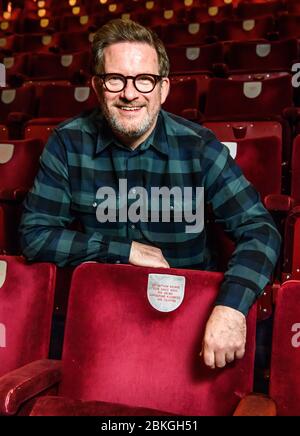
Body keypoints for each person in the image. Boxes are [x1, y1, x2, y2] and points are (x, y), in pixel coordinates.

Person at [20, 19, 281, 370]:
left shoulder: (198, 146)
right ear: (98, 87)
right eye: (116, 80)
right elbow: (35, 235)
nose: (130, 94)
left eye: (145, 80)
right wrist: (122, 252)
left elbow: (260, 229)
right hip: (105, 313)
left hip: (190, 316)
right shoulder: (68, 144)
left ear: (163, 89)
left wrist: (231, 306)